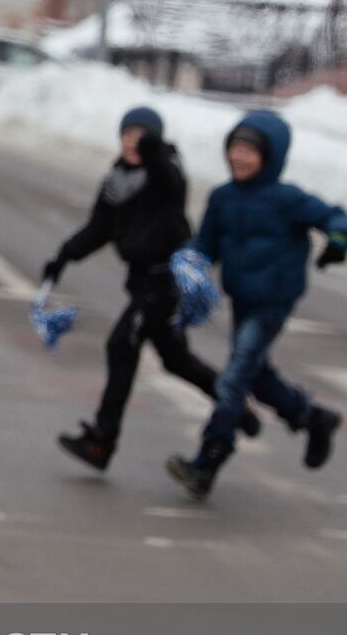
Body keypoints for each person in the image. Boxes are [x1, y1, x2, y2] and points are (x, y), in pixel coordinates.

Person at [42, 106, 259, 472]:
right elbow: (99, 228)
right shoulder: (116, 180)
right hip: (142, 281)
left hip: (165, 281)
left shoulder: (165, 174)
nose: (131, 142)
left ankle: (102, 441)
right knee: (176, 360)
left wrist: (154, 148)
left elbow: (171, 183)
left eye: (140, 135)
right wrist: (64, 257)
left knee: (121, 344)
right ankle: (235, 407)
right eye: (126, 134)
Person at [166, 111, 347, 498]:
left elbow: (336, 217)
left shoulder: (288, 199)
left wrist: (338, 241)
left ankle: (208, 460)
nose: (239, 156)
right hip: (243, 297)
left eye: (250, 151)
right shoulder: (222, 198)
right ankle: (311, 417)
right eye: (235, 147)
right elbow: (206, 244)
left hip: (273, 301)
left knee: (235, 376)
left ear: (271, 157)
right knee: (254, 374)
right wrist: (189, 264)